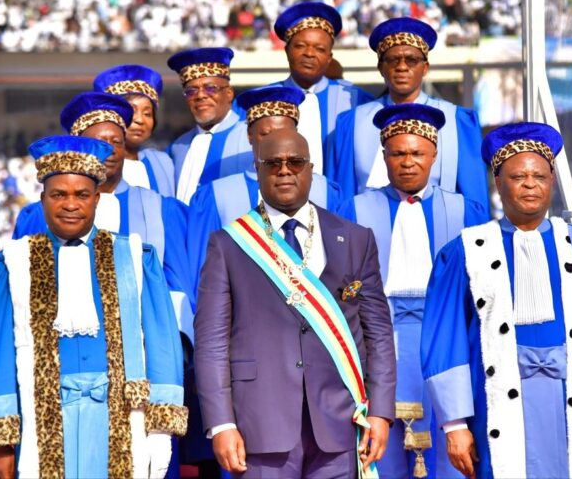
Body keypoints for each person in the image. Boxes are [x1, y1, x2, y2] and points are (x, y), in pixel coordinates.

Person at [420, 122, 572, 478]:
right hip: (496, 401)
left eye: (540, 176)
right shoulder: (466, 251)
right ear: (498, 182)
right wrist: (455, 424)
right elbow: (447, 340)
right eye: (518, 176)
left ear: (552, 181)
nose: (531, 184)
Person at [0, 135, 188, 479]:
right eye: (59, 194)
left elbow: (162, 346)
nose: (70, 204)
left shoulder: (134, 257)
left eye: (81, 195)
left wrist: (160, 430)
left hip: (123, 418)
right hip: (39, 419)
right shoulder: (11, 264)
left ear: (96, 199)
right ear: (42, 199)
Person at [194, 129, 396, 478]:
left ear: (310, 170)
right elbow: (211, 343)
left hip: (341, 422)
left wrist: (380, 411)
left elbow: (378, 333)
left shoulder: (355, 239)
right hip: (258, 424)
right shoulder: (228, 245)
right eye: (273, 163)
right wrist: (221, 423)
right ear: (257, 171)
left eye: (295, 162)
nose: (284, 170)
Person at [338, 104, 487, 478]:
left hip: (446, 338)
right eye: (398, 153)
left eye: (417, 153)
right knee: (378, 453)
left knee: (449, 444)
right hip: (376, 339)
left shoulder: (465, 211)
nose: (408, 162)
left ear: (434, 154)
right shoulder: (353, 209)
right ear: (384, 155)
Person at [12, 92, 193, 333]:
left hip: (144, 347)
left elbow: (181, 287)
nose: (111, 151)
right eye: (99, 143)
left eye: (117, 142)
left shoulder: (163, 210)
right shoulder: (39, 214)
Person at [187, 86, 343, 297]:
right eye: (266, 134)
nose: (276, 143)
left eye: (285, 133)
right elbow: (202, 272)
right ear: (250, 135)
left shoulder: (325, 190)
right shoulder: (216, 196)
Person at [328, 18, 487, 211]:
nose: (402, 67)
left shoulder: (458, 121)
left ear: (425, 67)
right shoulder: (352, 122)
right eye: (393, 60)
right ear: (380, 68)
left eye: (411, 60)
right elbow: (343, 200)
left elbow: (475, 205)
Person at [268, 2, 374, 175]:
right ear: (287, 50)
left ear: (329, 57)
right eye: (300, 46)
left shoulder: (357, 100)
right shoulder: (264, 99)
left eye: (319, 48)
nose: (309, 53)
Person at [167, 47, 250, 204]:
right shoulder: (178, 146)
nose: (200, 95)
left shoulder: (250, 137)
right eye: (191, 91)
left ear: (229, 93)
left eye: (210, 88)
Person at [94, 64, 177, 197]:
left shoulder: (162, 163)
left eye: (148, 114)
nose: (140, 120)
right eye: (132, 111)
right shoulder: (93, 162)